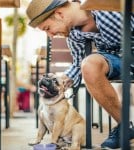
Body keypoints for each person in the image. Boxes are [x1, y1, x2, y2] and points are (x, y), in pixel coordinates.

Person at [26, 0, 134, 149]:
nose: (50, 36)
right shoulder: (74, 34)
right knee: (88, 65)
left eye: (47, 28)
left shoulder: (108, 9)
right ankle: (125, 126)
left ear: (59, 14)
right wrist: (65, 79)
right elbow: (78, 63)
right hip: (118, 61)